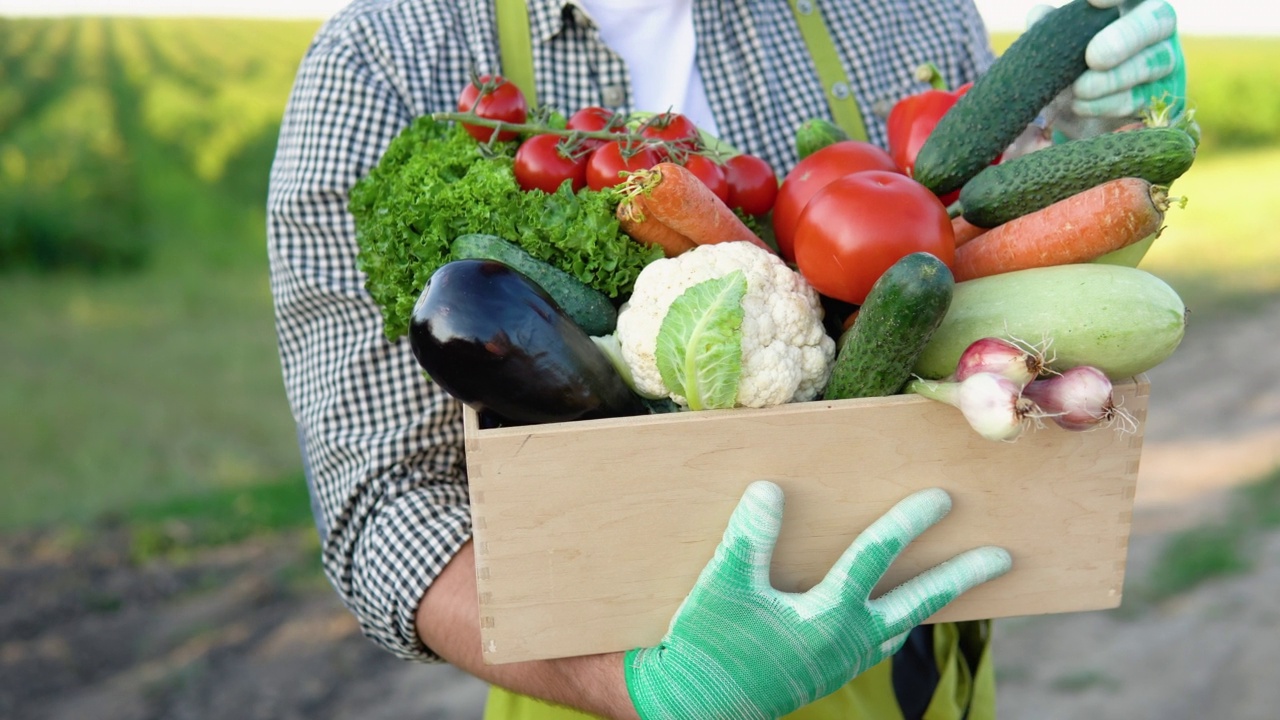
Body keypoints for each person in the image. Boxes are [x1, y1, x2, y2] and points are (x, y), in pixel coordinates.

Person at [266, 1, 1185, 718]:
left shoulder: (903, 10)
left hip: (920, 671)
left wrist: (1078, 142)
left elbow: (992, 250)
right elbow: (381, 505)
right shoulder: (380, 64)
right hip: (611, 693)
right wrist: (660, 693)